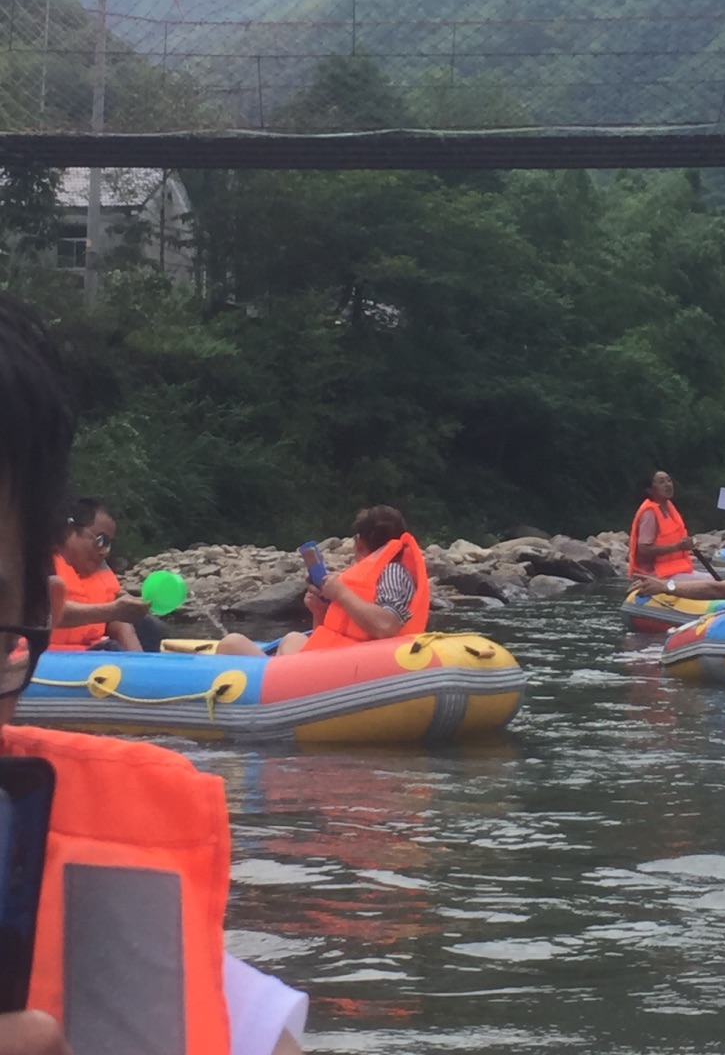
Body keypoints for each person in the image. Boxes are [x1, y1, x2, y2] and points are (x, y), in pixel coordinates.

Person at [0, 291, 306, 1055]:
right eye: (96, 540)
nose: (103, 549)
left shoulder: (171, 975)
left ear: (24, 618)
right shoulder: (79, 597)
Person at [217, 505, 430, 657]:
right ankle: (270, 676)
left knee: (232, 643)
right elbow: (339, 633)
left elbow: (386, 626)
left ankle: (265, 682)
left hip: (365, 664)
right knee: (292, 638)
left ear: (358, 543)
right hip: (341, 660)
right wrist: (320, 613)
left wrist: (340, 593)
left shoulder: (393, 572)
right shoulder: (372, 574)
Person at [51, 497, 162, 651]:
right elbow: (46, 612)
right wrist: (113, 610)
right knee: (111, 648)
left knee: (150, 627)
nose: (104, 551)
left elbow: (118, 621)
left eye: (108, 543)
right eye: (101, 540)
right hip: (43, 657)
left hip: (90, 650)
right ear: (70, 531)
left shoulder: (99, 570)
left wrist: (138, 662)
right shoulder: (40, 563)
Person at [627, 470, 695, 580]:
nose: (668, 484)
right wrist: (676, 547)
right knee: (713, 584)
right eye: (661, 482)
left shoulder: (669, 507)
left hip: (674, 570)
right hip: (655, 574)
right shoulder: (649, 513)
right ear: (650, 490)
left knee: (714, 581)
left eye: (669, 480)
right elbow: (643, 550)